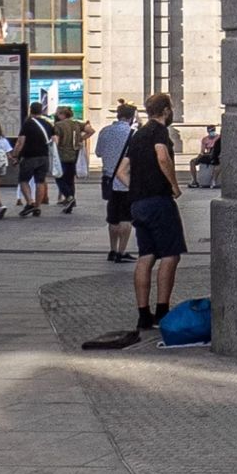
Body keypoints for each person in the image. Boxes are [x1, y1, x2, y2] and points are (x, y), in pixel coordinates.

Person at [113, 93, 185, 329]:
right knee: (170, 255)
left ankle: (143, 314)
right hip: (158, 200)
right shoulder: (158, 130)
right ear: (165, 110)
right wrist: (174, 185)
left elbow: (122, 172)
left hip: (138, 204)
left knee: (146, 255)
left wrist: (136, 188)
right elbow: (163, 157)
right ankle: (163, 311)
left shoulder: (138, 134)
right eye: (171, 108)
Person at [95, 103, 138, 262]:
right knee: (126, 218)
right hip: (126, 180)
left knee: (112, 217)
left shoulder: (105, 131)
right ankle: (121, 251)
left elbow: (98, 153)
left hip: (109, 180)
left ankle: (112, 249)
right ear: (131, 116)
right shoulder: (133, 133)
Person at [10, 100, 53, 216]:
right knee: (40, 181)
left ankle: (30, 202)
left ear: (30, 110)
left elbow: (20, 142)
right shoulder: (48, 124)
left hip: (29, 156)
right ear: (41, 111)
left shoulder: (28, 124)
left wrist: (15, 155)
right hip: (44, 156)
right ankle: (37, 207)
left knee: (23, 180)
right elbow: (54, 140)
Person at [52, 104, 84, 212]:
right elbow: (91, 130)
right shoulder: (76, 123)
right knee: (70, 179)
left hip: (62, 155)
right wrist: (80, 139)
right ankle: (71, 201)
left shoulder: (58, 125)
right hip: (74, 154)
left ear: (62, 114)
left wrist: (53, 148)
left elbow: (56, 140)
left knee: (59, 177)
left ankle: (69, 197)